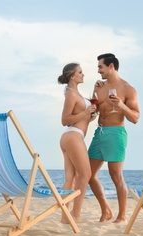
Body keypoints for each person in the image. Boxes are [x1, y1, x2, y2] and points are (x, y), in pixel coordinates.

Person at [88, 53, 140, 223]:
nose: (98, 71)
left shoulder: (128, 89)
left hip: (116, 133)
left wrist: (121, 105)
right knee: (88, 174)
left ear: (111, 66)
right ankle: (106, 210)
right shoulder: (99, 87)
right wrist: (93, 107)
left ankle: (122, 216)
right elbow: (95, 110)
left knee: (116, 175)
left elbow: (135, 118)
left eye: (100, 67)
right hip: (99, 133)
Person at [58, 62, 97, 223]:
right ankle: (75, 215)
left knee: (71, 178)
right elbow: (65, 120)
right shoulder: (71, 94)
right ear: (72, 76)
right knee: (85, 174)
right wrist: (86, 112)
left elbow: (82, 114)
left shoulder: (75, 93)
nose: (83, 75)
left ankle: (64, 217)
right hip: (73, 135)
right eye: (80, 72)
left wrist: (90, 115)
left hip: (72, 137)